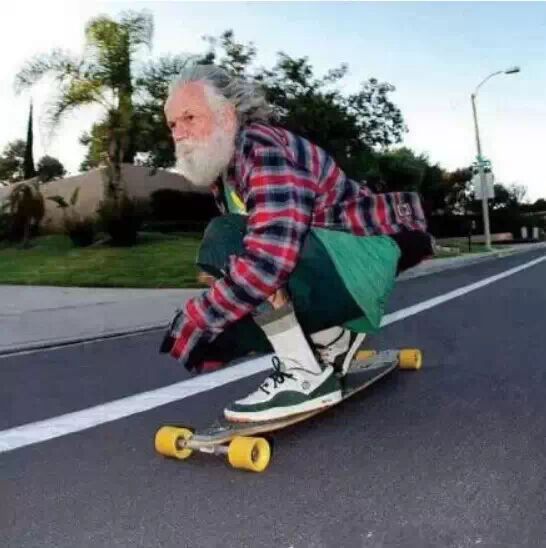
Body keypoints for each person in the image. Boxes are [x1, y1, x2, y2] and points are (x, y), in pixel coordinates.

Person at [160, 64, 433, 422]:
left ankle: (304, 376)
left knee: (224, 240)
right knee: (231, 283)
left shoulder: (258, 147)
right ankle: (333, 340)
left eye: (189, 118)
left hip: (366, 255)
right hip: (351, 262)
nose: (179, 133)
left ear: (226, 116)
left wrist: (197, 318)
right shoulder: (225, 174)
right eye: (172, 124)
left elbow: (269, 260)